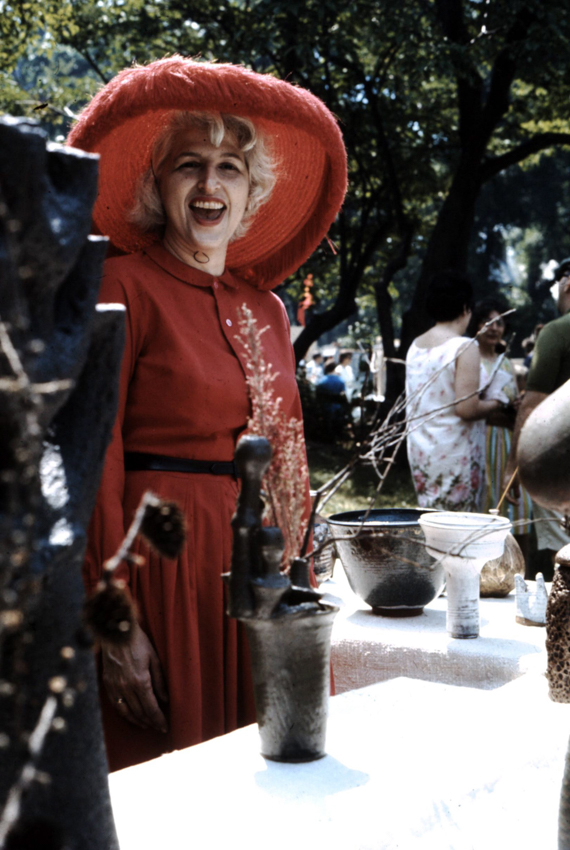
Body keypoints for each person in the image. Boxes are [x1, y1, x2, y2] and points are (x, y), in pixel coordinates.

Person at [67, 56, 347, 771]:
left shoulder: (269, 309)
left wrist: (303, 575)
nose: (209, 182)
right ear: (157, 185)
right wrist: (113, 619)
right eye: (189, 164)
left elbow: (289, 453)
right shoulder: (119, 287)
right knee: (168, 784)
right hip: (159, 567)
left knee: (271, 779)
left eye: (229, 166)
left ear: (252, 191)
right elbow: (91, 459)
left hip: (264, 572)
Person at [405, 271, 503, 512]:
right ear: (465, 308)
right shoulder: (464, 347)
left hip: (422, 452)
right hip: (456, 456)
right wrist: (498, 402)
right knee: (460, 534)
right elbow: (467, 408)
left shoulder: (415, 346)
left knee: (433, 526)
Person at [504, 259, 570, 569]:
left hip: (559, 469)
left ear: (567, 283)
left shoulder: (556, 333)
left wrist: (512, 466)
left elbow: (532, 405)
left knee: (558, 559)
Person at [470, 298, 532, 560]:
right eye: (488, 322)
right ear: (477, 324)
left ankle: (517, 566)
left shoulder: (506, 362)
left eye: (500, 322)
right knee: (485, 508)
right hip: (480, 441)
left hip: (508, 441)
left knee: (518, 509)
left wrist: (517, 403)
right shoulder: (470, 358)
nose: (494, 328)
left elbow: (512, 399)